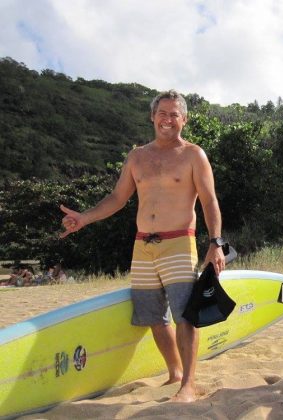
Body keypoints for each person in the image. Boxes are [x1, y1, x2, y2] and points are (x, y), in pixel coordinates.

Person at [59, 89, 227, 402]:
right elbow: (117, 198)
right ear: (152, 116)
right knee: (152, 316)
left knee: (185, 315)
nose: (167, 119)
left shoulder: (193, 154)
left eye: (174, 114)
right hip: (143, 247)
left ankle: (188, 384)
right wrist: (84, 218)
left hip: (179, 242)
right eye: (162, 113)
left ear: (184, 119)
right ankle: (175, 371)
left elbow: (209, 201)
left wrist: (215, 242)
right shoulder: (137, 156)